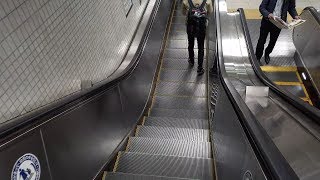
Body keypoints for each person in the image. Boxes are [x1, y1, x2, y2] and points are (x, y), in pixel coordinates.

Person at [256, 0, 300, 65]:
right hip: (267, 21)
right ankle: (257, 57)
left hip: (279, 23)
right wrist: (268, 14)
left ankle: (267, 53)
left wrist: (295, 16)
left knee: (273, 41)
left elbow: (291, 8)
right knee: (262, 40)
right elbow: (262, 7)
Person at [182, 0, 213, 75]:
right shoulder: (208, 1)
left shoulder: (185, 1)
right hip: (201, 28)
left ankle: (191, 60)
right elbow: (210, 12)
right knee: (201, 47)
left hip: (190, 27)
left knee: (191, 44)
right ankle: (200, 68)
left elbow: (183, 13)